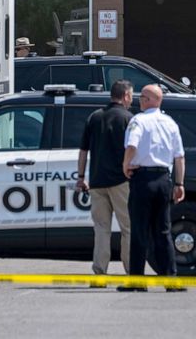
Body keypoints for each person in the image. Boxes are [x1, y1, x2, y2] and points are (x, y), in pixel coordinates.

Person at [118, 84, 185, 292]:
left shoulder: (138, 121)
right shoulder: (170, 123)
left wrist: (125, 164)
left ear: (147, 100)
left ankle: (137, 282)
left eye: (142, 97)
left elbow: (132, 146)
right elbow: (179, 156)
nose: (139, 101)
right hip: (164, 178)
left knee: (139, 231)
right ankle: (171, 280)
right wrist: (179, 183)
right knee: (163, 231)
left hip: (143, 179)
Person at [76, 79, 133, 281]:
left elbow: (83, 151)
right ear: (125, 95)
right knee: (128, 228)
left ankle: (100, 272)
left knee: (101, 229)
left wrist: (81, 177)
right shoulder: (128, 119)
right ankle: (131, 272)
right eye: (131, 96)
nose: (131, 100)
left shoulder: (95, 117)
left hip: (97, 182)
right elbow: (132, 151)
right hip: (121, 181)